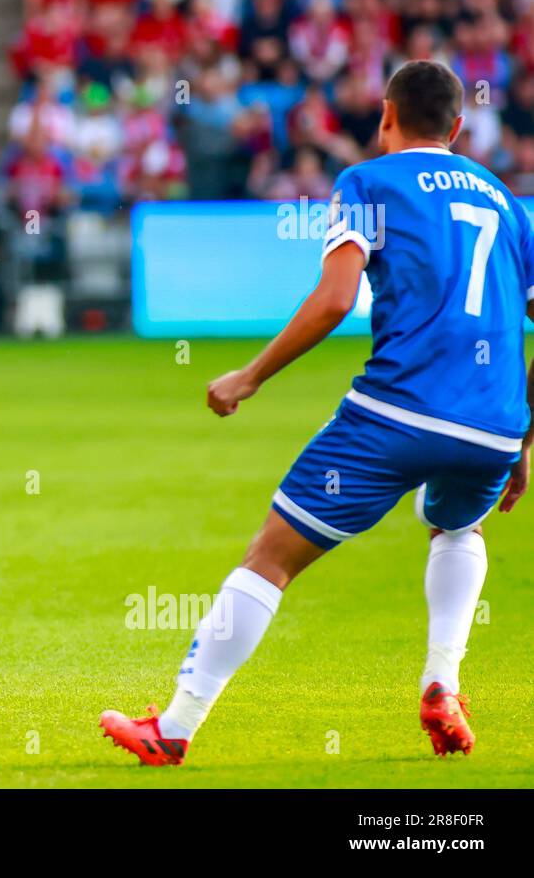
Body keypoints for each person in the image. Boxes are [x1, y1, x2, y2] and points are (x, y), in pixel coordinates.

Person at [101, 61, 534, 764]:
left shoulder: (365, 183)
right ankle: (442, 682)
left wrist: (251, 375)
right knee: (458, 523)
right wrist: (523, 441)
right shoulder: (507, 204)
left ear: (386, 116)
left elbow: (336, 300)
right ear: (457, 127)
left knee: (270, 558)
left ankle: (174, 728)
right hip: (491, 425)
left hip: (396, 413)